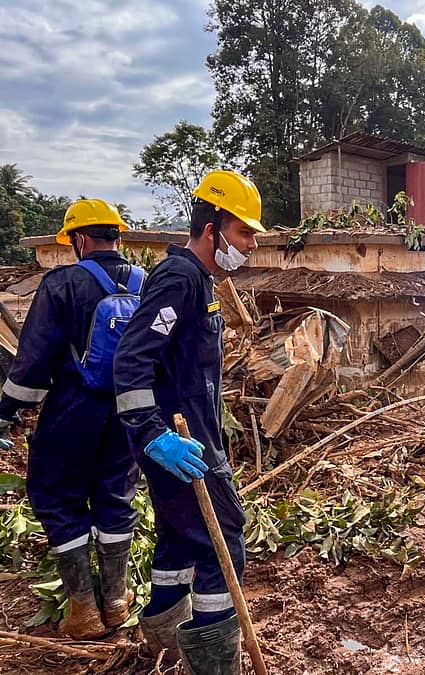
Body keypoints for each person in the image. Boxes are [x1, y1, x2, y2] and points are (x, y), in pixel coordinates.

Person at [114, 170, 264, 673]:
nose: (249, 246)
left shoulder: (200, 282)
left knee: (179, 538)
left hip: (191, 441)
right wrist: (154, 437)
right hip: (179, 446)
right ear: (211, 228)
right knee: (224, 539)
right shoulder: (179, 280)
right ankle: (215, 662)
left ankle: (164, 643)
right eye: (243, 233)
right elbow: (130, 360)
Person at [0, 200, 143, 639]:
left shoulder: (62, 283)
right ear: (117, 236)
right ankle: (117, 600)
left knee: (59, 498)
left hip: (72, 412)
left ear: (79, 239)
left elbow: (32, 362)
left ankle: (82, 608)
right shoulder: (147, 283)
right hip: (130, 411)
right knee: (116, 495)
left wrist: (6, 411)